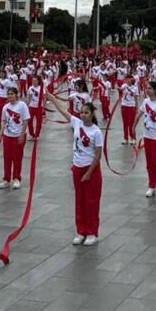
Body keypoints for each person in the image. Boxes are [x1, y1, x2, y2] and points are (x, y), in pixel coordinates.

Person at [69, 99, 104, 245]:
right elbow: (64, 112)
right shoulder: (77, 123)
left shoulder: (96, 132)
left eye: (86, 113)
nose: (83, 115)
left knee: (91, 201)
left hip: (91, 169)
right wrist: (51, 98)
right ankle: (81, 231)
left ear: (92, 114)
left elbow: (98, 155)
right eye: (81, 112)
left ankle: (92, 232)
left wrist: (89, 173)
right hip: (77, 167)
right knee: (79, 201)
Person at [0, 90, 28, 188]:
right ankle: (6, 179)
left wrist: (21, 135)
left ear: (16, 95)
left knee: (17, 157)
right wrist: (0, 135)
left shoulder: (22, 105)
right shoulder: (5, 107)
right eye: (8, 94)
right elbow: (3, 121)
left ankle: (16, 178)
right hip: (7, 135)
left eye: (12, 94)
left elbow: (25, 120)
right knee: (7, 157)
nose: (10, 95)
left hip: (18, 135)